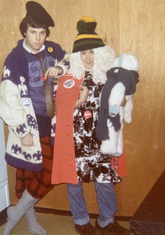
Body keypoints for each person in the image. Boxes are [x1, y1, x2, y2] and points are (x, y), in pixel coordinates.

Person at [46, 16, 130, 235]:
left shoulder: (107, 78)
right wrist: (80, 101)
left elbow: (119, 100)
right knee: (74, 182)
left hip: (101, 140)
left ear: (99, 53)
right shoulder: (69, 79)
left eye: (92, 52)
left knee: (104, 180)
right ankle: (81, 220)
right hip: (75, 140)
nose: (88, 57)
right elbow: (60, 111)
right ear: (76, 56)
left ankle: (106, 220)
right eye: (83, 53)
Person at [0, 1, 66, 235]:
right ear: (24, 31)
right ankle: (29, 219)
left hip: (53, 122)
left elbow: (72, 63)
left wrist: (62, 69)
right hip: (29, 125)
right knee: (28, 172)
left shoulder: (54, 50)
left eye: (42, 32)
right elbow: (8, 97)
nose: (38, 38)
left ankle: (15, 213)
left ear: (47, 33)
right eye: (33, 32)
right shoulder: (15, 58)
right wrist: (22, 130)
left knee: (50, 174)